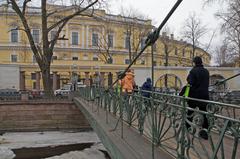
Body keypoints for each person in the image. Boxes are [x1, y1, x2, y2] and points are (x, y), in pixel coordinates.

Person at [186, 56, 209, 140]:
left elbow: (190, 82)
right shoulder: (206, 71)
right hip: (205, 96)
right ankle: (205, 131)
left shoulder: (193, 71)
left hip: (195, 96)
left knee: (190, 112)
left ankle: (188, 128)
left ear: (194, 62)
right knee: (205, 114)